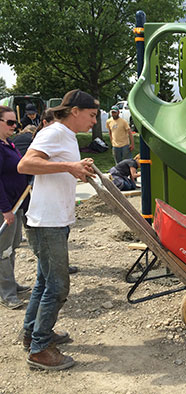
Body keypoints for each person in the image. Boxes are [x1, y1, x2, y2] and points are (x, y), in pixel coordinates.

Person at [17, 89, 98, 370]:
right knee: (57, 286)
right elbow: (25, 164)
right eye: (91, 115)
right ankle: (40, 350)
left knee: (43, 282)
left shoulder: (67, 136)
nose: (94, 121)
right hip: (48, 221)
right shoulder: (54, 132)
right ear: (74, 111)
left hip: (54, 219)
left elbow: (58, 166)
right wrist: (69, 165)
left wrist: (76, 166)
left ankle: (32, 334)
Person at [0, 106, 31, 310]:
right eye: (10, 122)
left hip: (17, 203)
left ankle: (10, 282)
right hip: (6, 207)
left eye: (15, 122)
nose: (14, 126)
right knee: (3, 250)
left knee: (13, 246)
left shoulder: (9, 144)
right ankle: (6, 292)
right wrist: (5, 210)